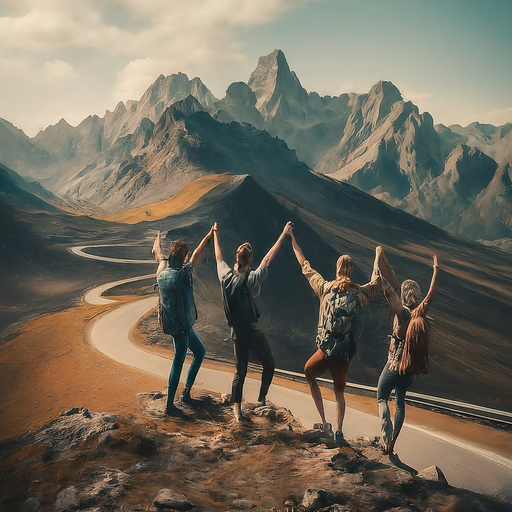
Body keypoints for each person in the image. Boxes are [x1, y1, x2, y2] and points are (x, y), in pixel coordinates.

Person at [289, 230, 382, 446]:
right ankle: (339, 431)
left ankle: (324, 422)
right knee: (339, 391)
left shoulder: (324, 287)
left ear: (337, 269)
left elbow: (305, 265)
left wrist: (293, 239)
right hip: (344, 354)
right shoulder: (358, 293)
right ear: (350, 271)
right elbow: (376, 282)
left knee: (309, 372)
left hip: (325, 351)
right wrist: (377, 255)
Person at [213, 221, 293, 422]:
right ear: (250, 259)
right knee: (269, 364)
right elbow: (268, 259)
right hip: (251, 331)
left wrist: (215, 233)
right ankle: (262, 400)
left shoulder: (225, 276)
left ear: (237, 258)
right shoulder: (252, 279)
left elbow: (218, 256)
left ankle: (237, 410)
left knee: (240, 371)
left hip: (236, 333)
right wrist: (283, 235)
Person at [376, 247, 439, 455]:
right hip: (409, 369)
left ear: (403, 294)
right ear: (416, 294)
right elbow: (430, 295)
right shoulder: (419, 311)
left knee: (382, 397)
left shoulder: (402, 313)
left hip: (394, 364)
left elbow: (386, 289)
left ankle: (385, 430)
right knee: (400, 403)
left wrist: (377, 259)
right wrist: (435, 270)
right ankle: (392, 443)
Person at [153, 227, 213, 417]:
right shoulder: (184, 273)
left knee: (200, 352)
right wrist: (209, 235)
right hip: (182, 328)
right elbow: (197, 253)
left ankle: (185, 393)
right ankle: (170, 405)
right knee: (178, 361)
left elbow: (158, 253)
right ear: (183, 257)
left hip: (173, 324)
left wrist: (158, 238)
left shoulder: (161, 271)